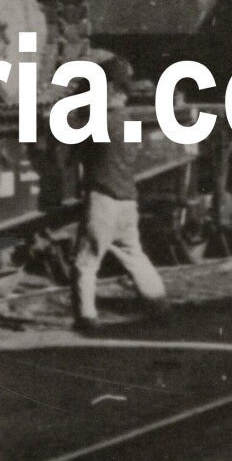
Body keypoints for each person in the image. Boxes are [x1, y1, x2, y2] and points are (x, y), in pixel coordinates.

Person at [72, 60, 167, 332]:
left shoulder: (101, 121)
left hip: (103, 200)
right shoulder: (130, 122)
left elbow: (70, 136)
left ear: (109, 89)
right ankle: (160, 306)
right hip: (128, 201)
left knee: (86, 262)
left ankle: (87, 319)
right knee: (134, 255)